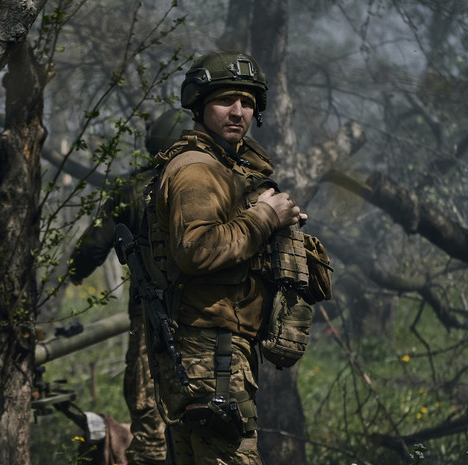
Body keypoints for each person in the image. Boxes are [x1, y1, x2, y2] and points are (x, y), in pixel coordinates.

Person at [146, 50, 315, 464]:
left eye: (247, 102)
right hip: (209, 351)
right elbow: (198, 250)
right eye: (225, 100)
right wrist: (264, 218)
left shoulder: (226, 168)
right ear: (200, 105)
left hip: (214, 349)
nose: (238, 111)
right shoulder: (198, 169)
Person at [69, 108, 192, 465]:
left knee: (149, 412)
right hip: (208, 315)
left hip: (150, 318)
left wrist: (74, 274)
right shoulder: (217, 184)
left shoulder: (132, 189)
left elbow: (92, 246)